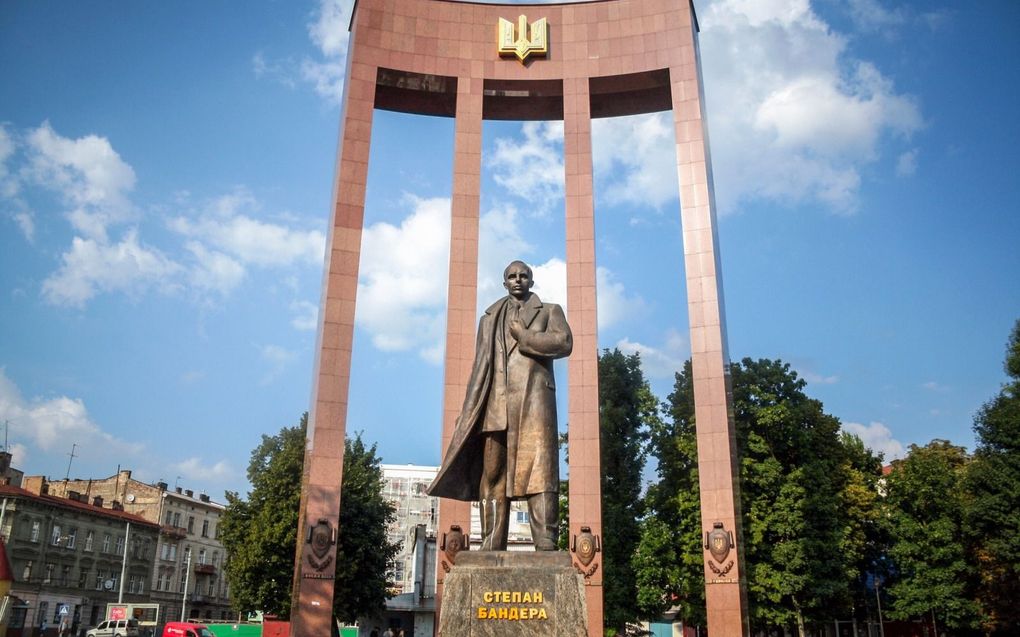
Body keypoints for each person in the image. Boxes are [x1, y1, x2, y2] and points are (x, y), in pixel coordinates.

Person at [428, 260, 572, 550]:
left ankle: (545, 539)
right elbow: (480, 366)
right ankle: (492, 541)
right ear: (504, 282)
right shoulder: (489, 319)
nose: (517, 280)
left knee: (540, 472)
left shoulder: (550, 311)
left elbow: (564, 343)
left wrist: (525, 337)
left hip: (534, 402)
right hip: (496, 404)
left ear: (531, 281)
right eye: (512, 276)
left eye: (523, 276)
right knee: (493, 474)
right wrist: (468, 411)